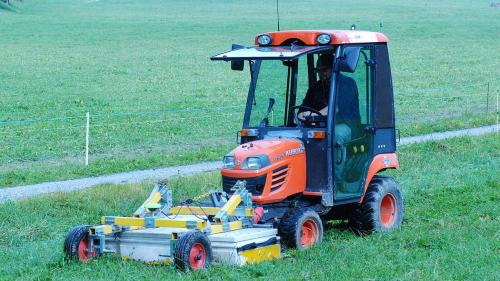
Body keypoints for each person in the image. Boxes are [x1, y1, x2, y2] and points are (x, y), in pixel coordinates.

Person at [298, 53, 361, 142]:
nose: (320, 74)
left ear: (333, 69)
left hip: (346, 124)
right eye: (318, 70)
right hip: (322, 126)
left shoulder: (347, 84)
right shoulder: (315, 87)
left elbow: (336, 108)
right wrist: (301, 114)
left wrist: (314, 115)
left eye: (324, 70)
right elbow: (304, 107)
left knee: (336, 135)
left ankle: (338, 155)